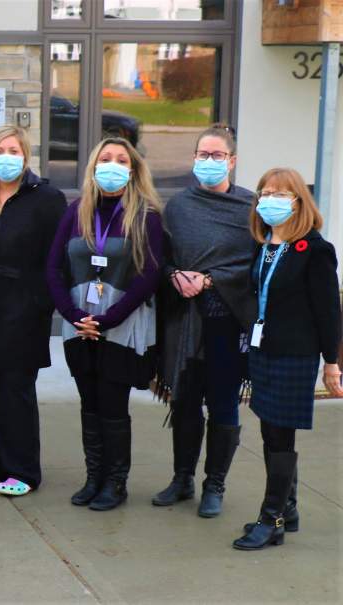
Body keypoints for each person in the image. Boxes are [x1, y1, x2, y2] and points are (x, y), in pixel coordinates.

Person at [45, 137, 163, 512]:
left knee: (113, 405)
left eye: (121, 160)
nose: (112, 165)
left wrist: (109, 318)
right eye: (105, 159)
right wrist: (75, 316)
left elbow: (150, 274)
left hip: (120, 326)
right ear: (93, 167)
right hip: (79, 326)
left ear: (132, 169)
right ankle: (93, 476)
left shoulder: (146, 215)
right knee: (88, 404)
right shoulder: (76, 211)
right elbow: (53, 268)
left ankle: (115, 482)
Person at [232, 168, 342, 550]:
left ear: (298, 200)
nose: (269, 198)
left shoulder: (314, 249)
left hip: (295, 354)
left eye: (279, 192)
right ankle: (287, 507)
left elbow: (329, 310)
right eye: (264, 191)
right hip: (264, 350)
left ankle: (272, 518)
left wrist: (332, 362)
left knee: (280, 434)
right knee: (269, 428)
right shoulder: (263, 244)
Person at [0, 125, 66, 497]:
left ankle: (24, 469)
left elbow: (57, 258)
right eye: (0, 150)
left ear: (25, 156)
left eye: (14, 150)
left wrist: (42, 303)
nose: (7, 157)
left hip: (24, 308)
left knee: (16, 389)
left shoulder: (47, 198)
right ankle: (0, 460)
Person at [152, 125, 255, 517]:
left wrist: (212, 279)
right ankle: (182, 479)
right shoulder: (178, 207)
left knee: (224, 404)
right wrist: (174, 275)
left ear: (232, 160)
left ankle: (215, 484)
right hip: (184, 322)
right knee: (184, 402)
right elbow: (162, 258)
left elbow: (255, 265)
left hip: (226, 322)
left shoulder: (250, 207)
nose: (208, 162)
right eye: (201, 155)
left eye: (216, 156)